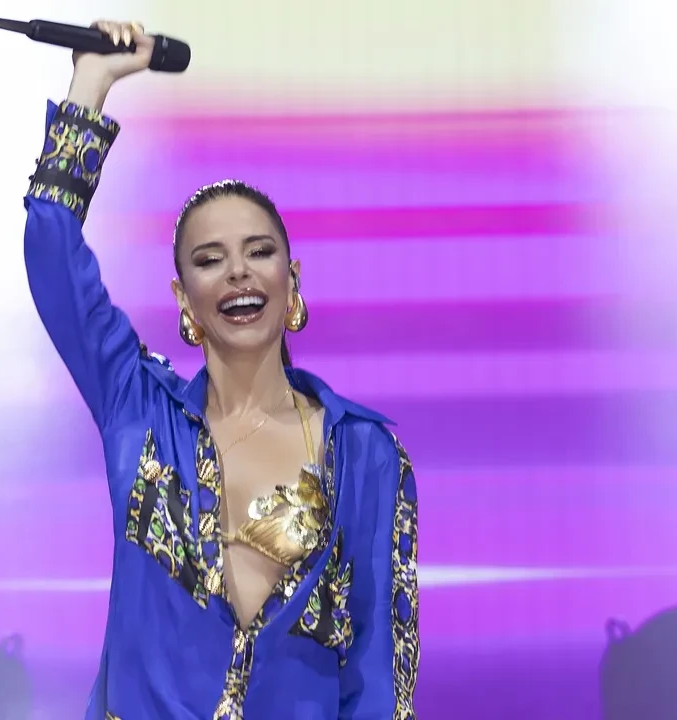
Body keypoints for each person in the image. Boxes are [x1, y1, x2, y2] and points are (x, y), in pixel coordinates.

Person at [23, 20, 420, 718]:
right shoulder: (140, 411)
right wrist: (92, 80)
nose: (238, 271)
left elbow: (377, 670)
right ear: (185, 300)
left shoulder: (363, 453)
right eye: (210, 260)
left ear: (291, 282)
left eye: (259, 252)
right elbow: (52, 250)